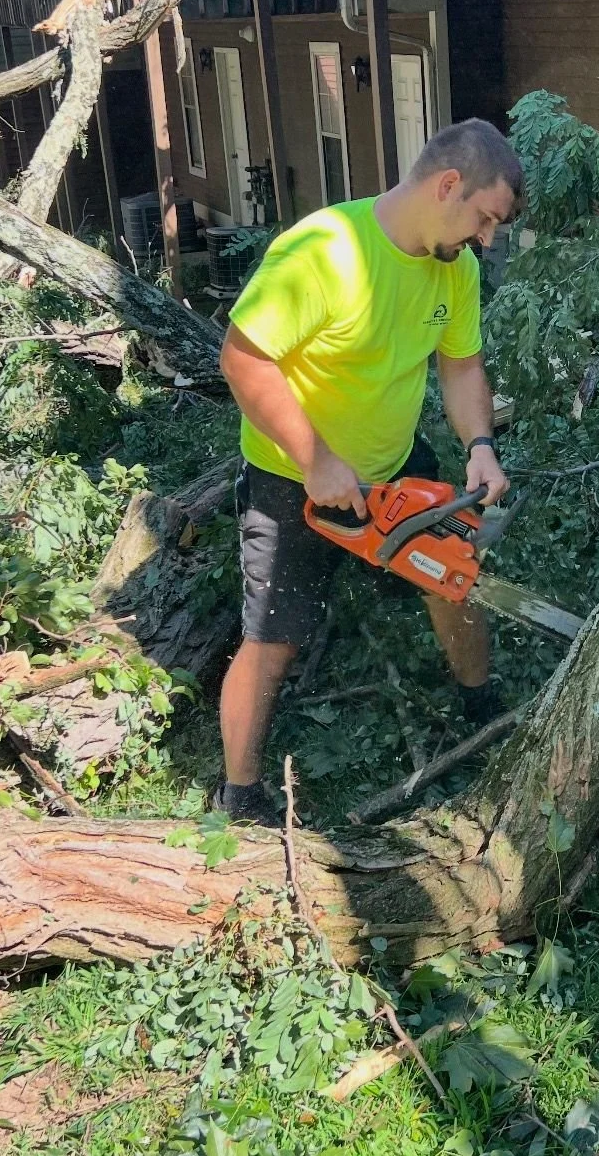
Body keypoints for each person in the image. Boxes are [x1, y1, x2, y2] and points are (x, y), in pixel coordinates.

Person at [213, 117, 524, 823]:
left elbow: (462, 365)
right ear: (448, 185)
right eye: (484, 219)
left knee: (454, 575)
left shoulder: (456, 270)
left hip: (392, 463)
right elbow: (242, 358)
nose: (486, 239)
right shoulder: (324, 251)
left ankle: (479, 703)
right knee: (273, 635)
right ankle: (239, 795)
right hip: (293, 477)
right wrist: (316, 459)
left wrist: (480, 444)